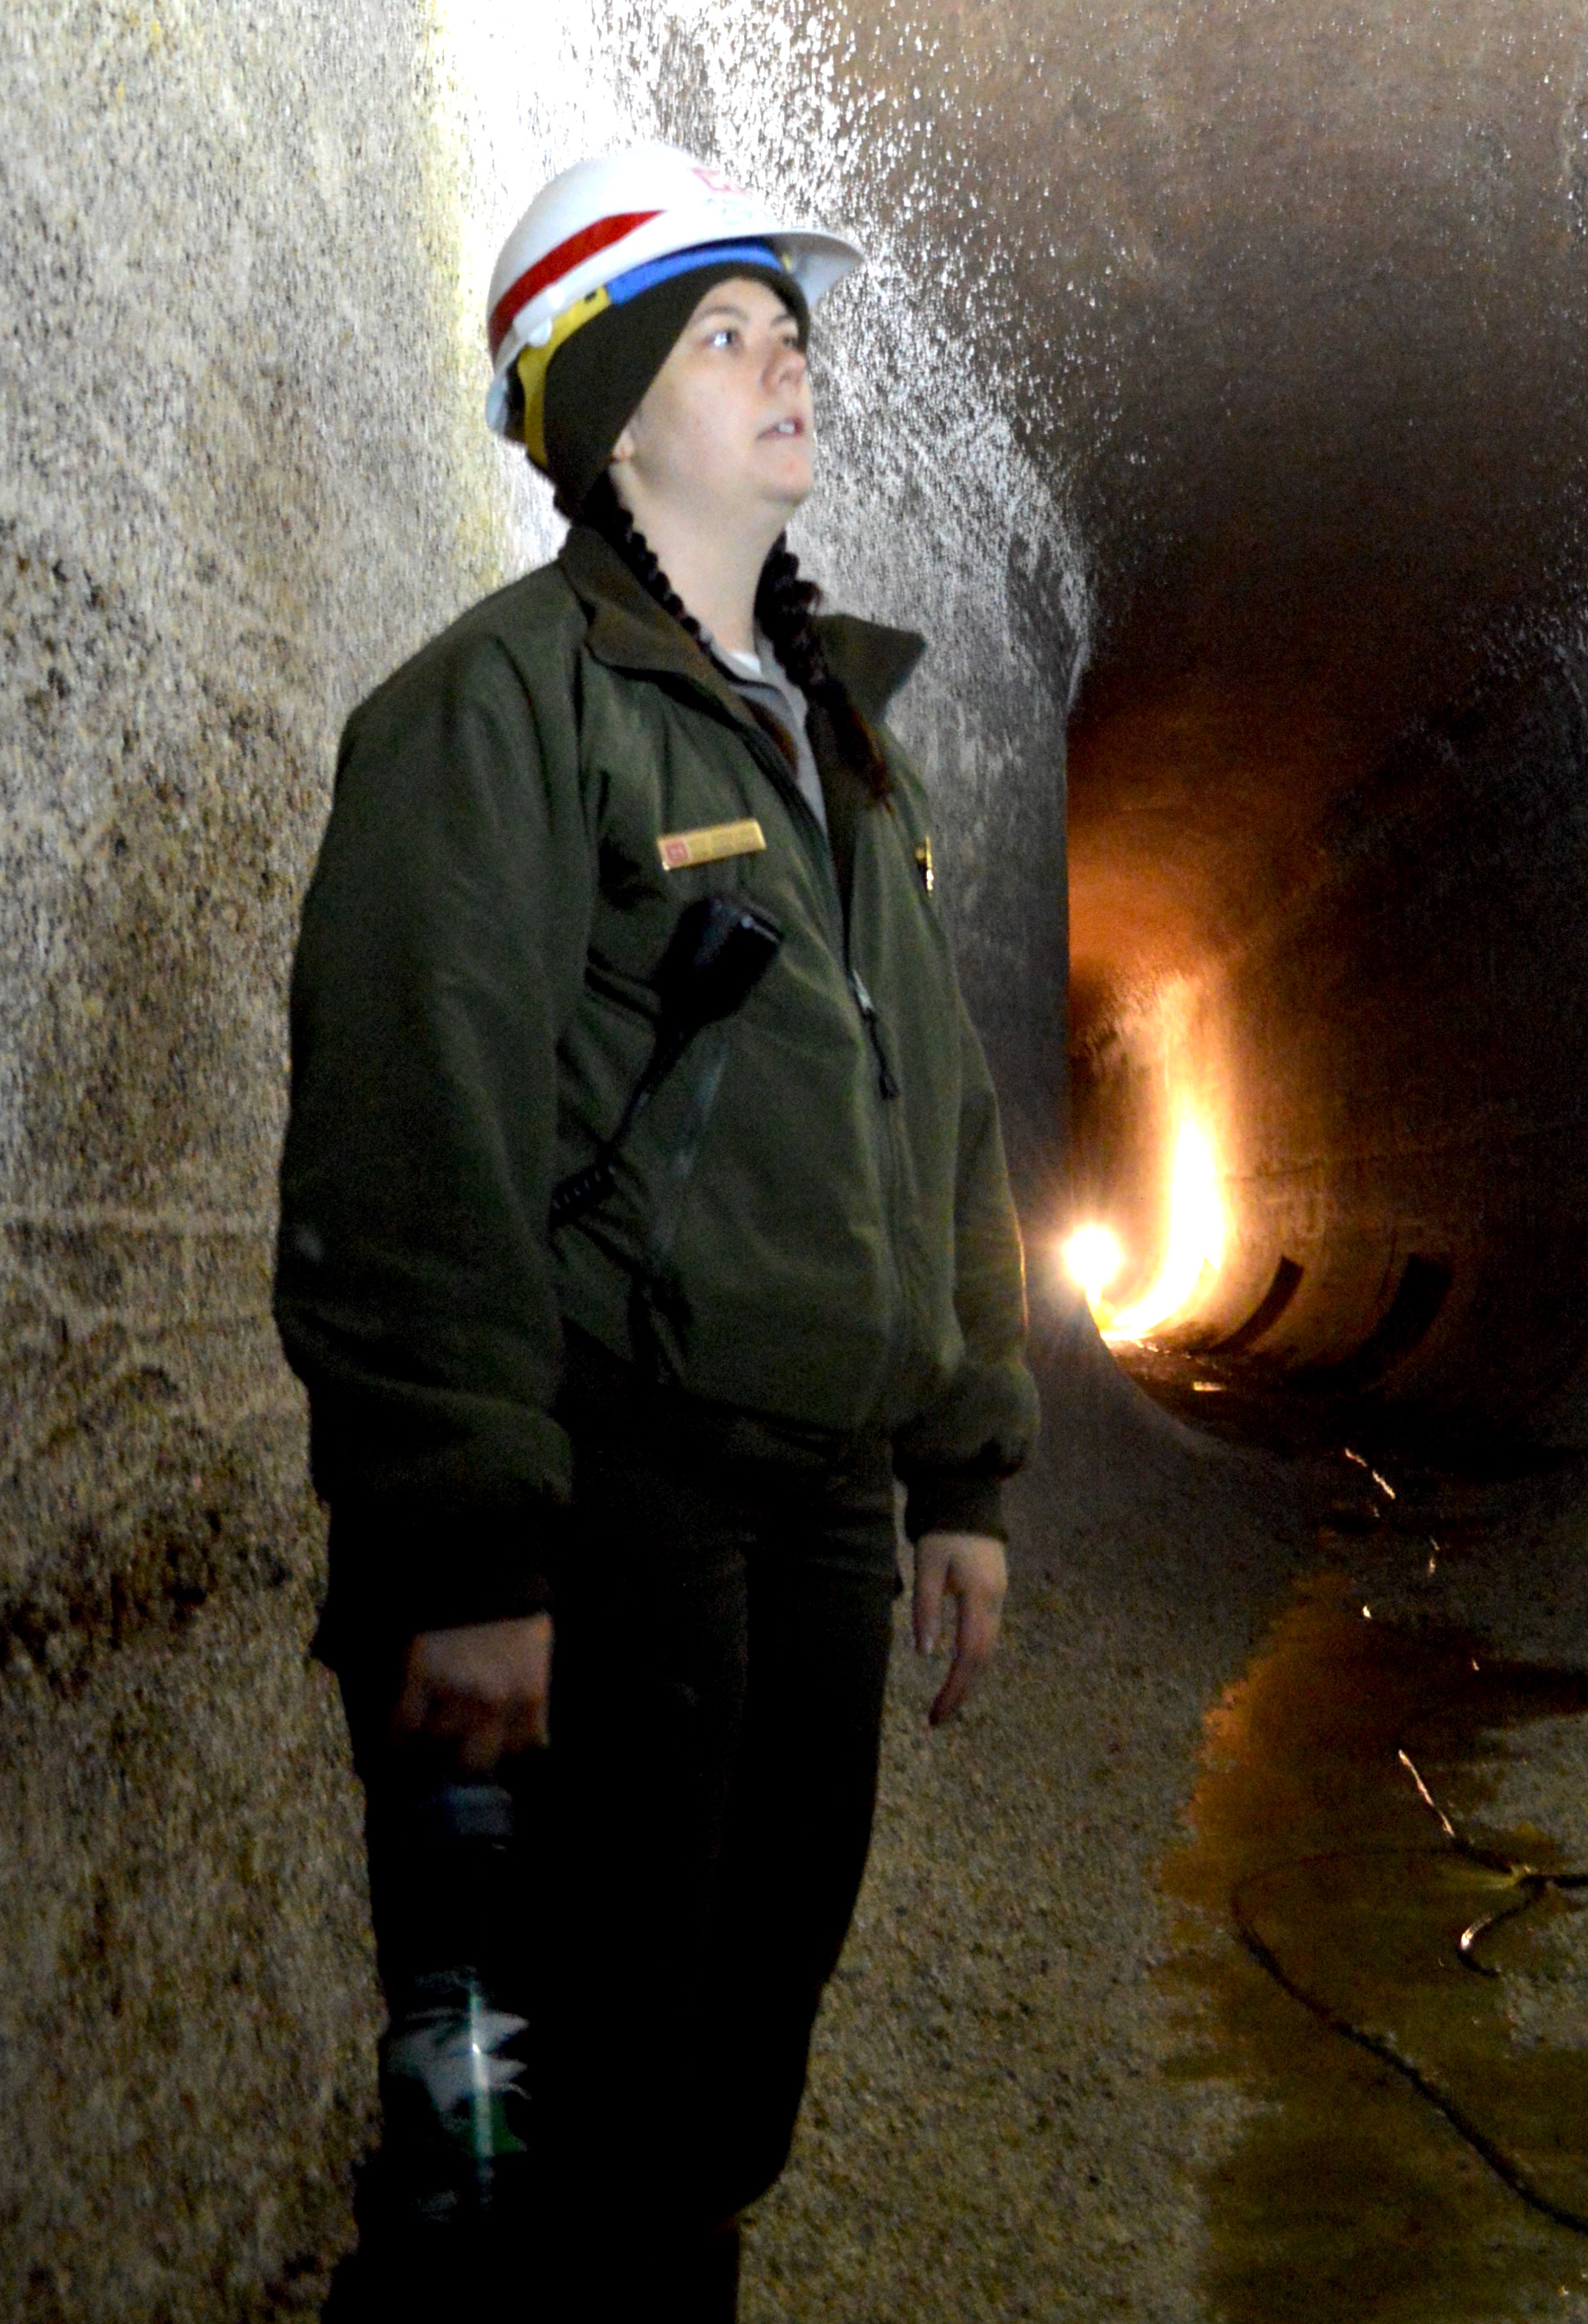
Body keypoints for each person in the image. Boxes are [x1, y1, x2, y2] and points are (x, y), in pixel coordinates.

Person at [273, 145, 1038, 2319]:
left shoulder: (835, 745)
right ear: (615, 417)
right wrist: (463, 1560)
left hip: (816, 1500)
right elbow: (412, 1135)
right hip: (612, 1495)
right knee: (528, 2092)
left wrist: (961, 1466)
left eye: (788, 326)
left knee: (726, 2058)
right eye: (726, 330)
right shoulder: (494, 713)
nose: (786, 355)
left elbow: (941, 1113)